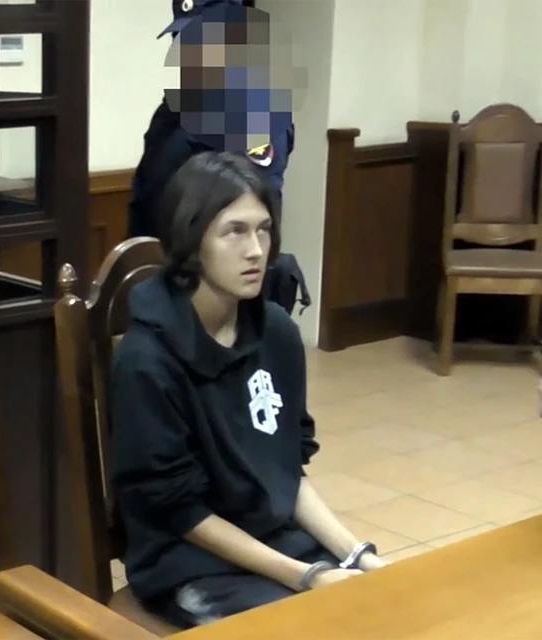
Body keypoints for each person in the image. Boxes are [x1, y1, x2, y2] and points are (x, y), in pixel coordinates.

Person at [109, 152, 386, 629]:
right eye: (234, 231)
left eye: (263, 229)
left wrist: (358, 555)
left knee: (380, 607)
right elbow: (179, 512)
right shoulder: (146, 360)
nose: (256, 250)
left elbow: (286, 469)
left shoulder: (276, 331)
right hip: (191, 564)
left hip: (276, 541)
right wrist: (307, 577)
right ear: (191, 240)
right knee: (317, 626)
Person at [128, 0, 310, 315]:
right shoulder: (175, 107)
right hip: (159, 280)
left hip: (218, 296)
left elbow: (246, 214)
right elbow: (148, 194)